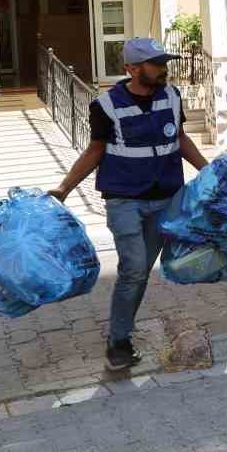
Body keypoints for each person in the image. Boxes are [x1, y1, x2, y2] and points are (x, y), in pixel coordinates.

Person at [49, 38, 208, 372]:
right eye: (156, 63)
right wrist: (64, 187)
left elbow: (179, 139)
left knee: (138, 274)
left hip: (164, 199)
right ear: (133, 69)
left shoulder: (171, 96)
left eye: (164, 62)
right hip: (124, 201)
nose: (164, 69)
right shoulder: (106, 105)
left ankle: (122, 331)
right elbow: (95, 150)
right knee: (134, 268)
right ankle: (118, 341)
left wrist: (209, 172)